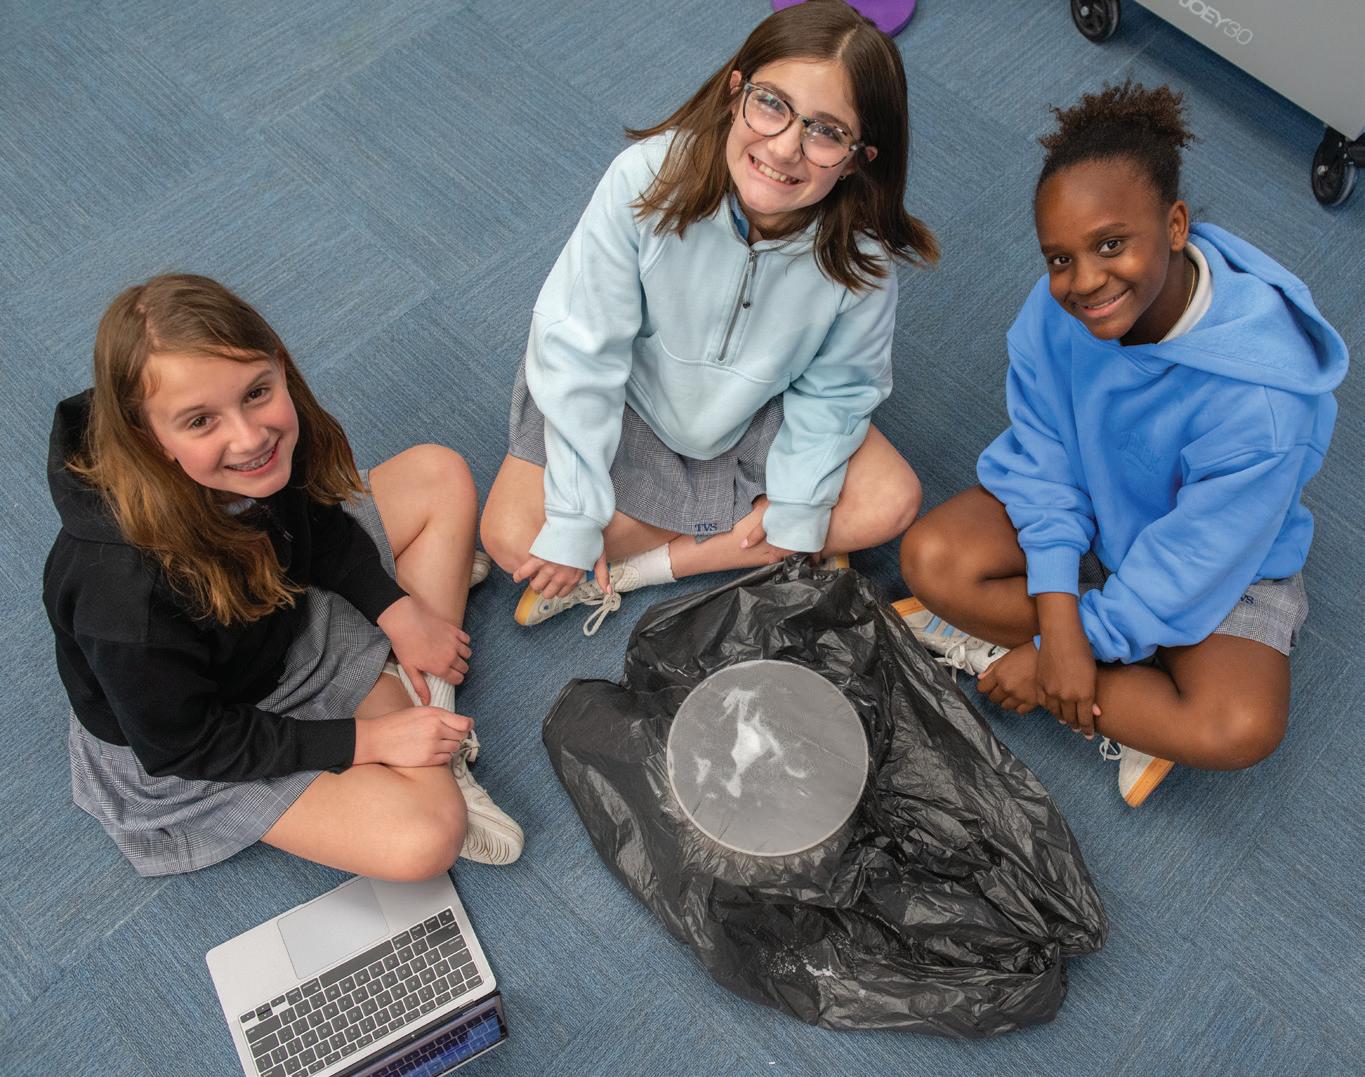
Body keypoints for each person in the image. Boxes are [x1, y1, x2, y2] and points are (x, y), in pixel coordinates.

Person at [896, 83, 1347, 806]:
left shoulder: (1263, 406)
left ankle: (1058, 668)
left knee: (1240, 726)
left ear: (1175, 225)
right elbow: (1046, 456)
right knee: (930, 558)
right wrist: (1059, 624)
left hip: (1212, 560)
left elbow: (1191, 563)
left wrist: (1054, 651)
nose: (1084, 282)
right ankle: (1116, 683)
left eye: (1111, 244)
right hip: (1097, 508)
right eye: (1059, 258)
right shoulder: (1059, 309)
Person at [480, 0, 937, 633]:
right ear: (734, 92)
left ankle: (649, 568)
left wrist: (798, 505)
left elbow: (837, 393)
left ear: (860, 157)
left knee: (892, 500)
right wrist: (577, 510)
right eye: (771, 104)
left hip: (757, 414)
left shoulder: (862, 259)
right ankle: (745, 541)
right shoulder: (646, 178)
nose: (785, 148)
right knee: (511, 538)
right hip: (629, 398)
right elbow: (584, 347)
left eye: (827, 133)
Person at [44, 274, 523, 877]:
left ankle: (403, 699)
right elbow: (187, 744)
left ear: (277, 364)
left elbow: (315, 521)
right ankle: (400, 712)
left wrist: (393, 606)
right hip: (206, 733)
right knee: (425, 841)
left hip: (278, 618)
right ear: (147, 436)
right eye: (200, 422)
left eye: (256, 392)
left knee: (438, 472)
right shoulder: (121, 600)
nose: (250, 438)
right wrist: (366, 742)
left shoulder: (263, 451)